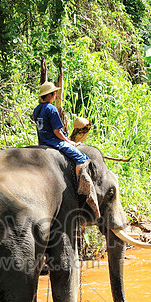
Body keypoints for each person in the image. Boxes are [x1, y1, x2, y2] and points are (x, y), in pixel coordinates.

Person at [33, 82, 99, 217]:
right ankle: (82, 190)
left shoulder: (37, 109)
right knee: (82, 158)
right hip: (54, 142)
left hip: (42, 141)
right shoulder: (51, 109)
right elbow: (57, 131)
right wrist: (69, 142)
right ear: (50, 95)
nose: (55, 95)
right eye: (54, 93)